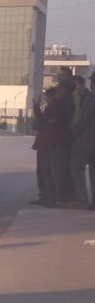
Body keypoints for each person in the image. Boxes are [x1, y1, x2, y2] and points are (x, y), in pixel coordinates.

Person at [70, 74, 95, 208]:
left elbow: (84, 117)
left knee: (76, 166)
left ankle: (82, 199)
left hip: (87, 140)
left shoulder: (92, 98)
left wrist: (76, 132)